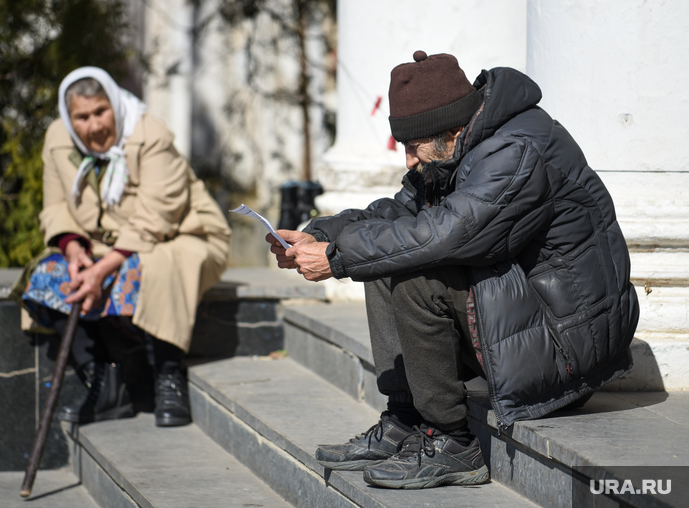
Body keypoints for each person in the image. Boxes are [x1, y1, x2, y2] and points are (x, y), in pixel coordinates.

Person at [266, 52, 639, 489]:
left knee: (416, 277)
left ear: (452, 129)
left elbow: (449, 234)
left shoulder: (516, 151)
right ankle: (405, 420)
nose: (407, 161)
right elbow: (395, 214)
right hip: (528, 324)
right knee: (380, 258)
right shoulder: (456, 149)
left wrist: (337, 258)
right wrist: (322, 234)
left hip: (572, 344)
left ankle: (452, 442)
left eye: (412, 147)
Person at [12, 67, 231, 427]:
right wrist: (73, 250)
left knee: (156, 266)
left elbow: (159, 216)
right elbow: (54, 207)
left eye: (101, 111)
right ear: (69, 118)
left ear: (114, 104)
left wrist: (101, 269)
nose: (95, 126)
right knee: (48, 276)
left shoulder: (149, 134)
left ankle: (168, 374)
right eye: (82, 117)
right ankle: (103, 381)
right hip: (105, 244)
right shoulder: (56, 138)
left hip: (186, 234)